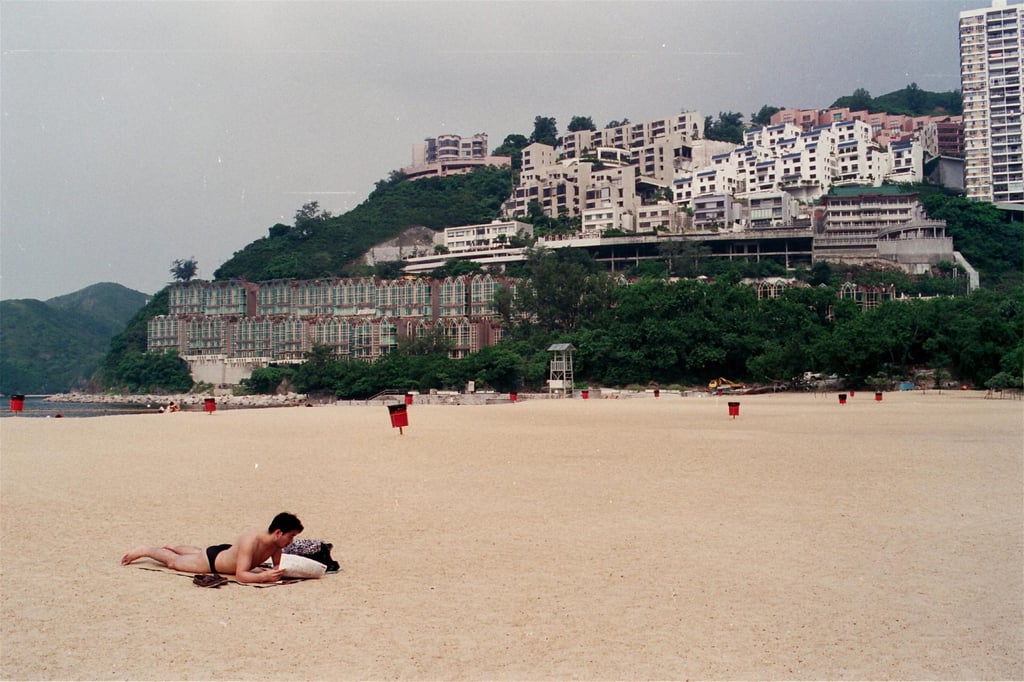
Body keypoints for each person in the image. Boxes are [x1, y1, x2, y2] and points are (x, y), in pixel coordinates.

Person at [120, 512, 303, 584]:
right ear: (278, 532)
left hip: (225, 553)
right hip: (212, 562)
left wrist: (276, 573)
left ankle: (173, 546)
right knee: (174, 562)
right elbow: (241, 575)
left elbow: (277, 568)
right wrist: (263, 577)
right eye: (291, 536)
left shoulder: (277, 545)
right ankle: (145, 550)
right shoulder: (251, 540)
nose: (291, 541)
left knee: (197, 551)